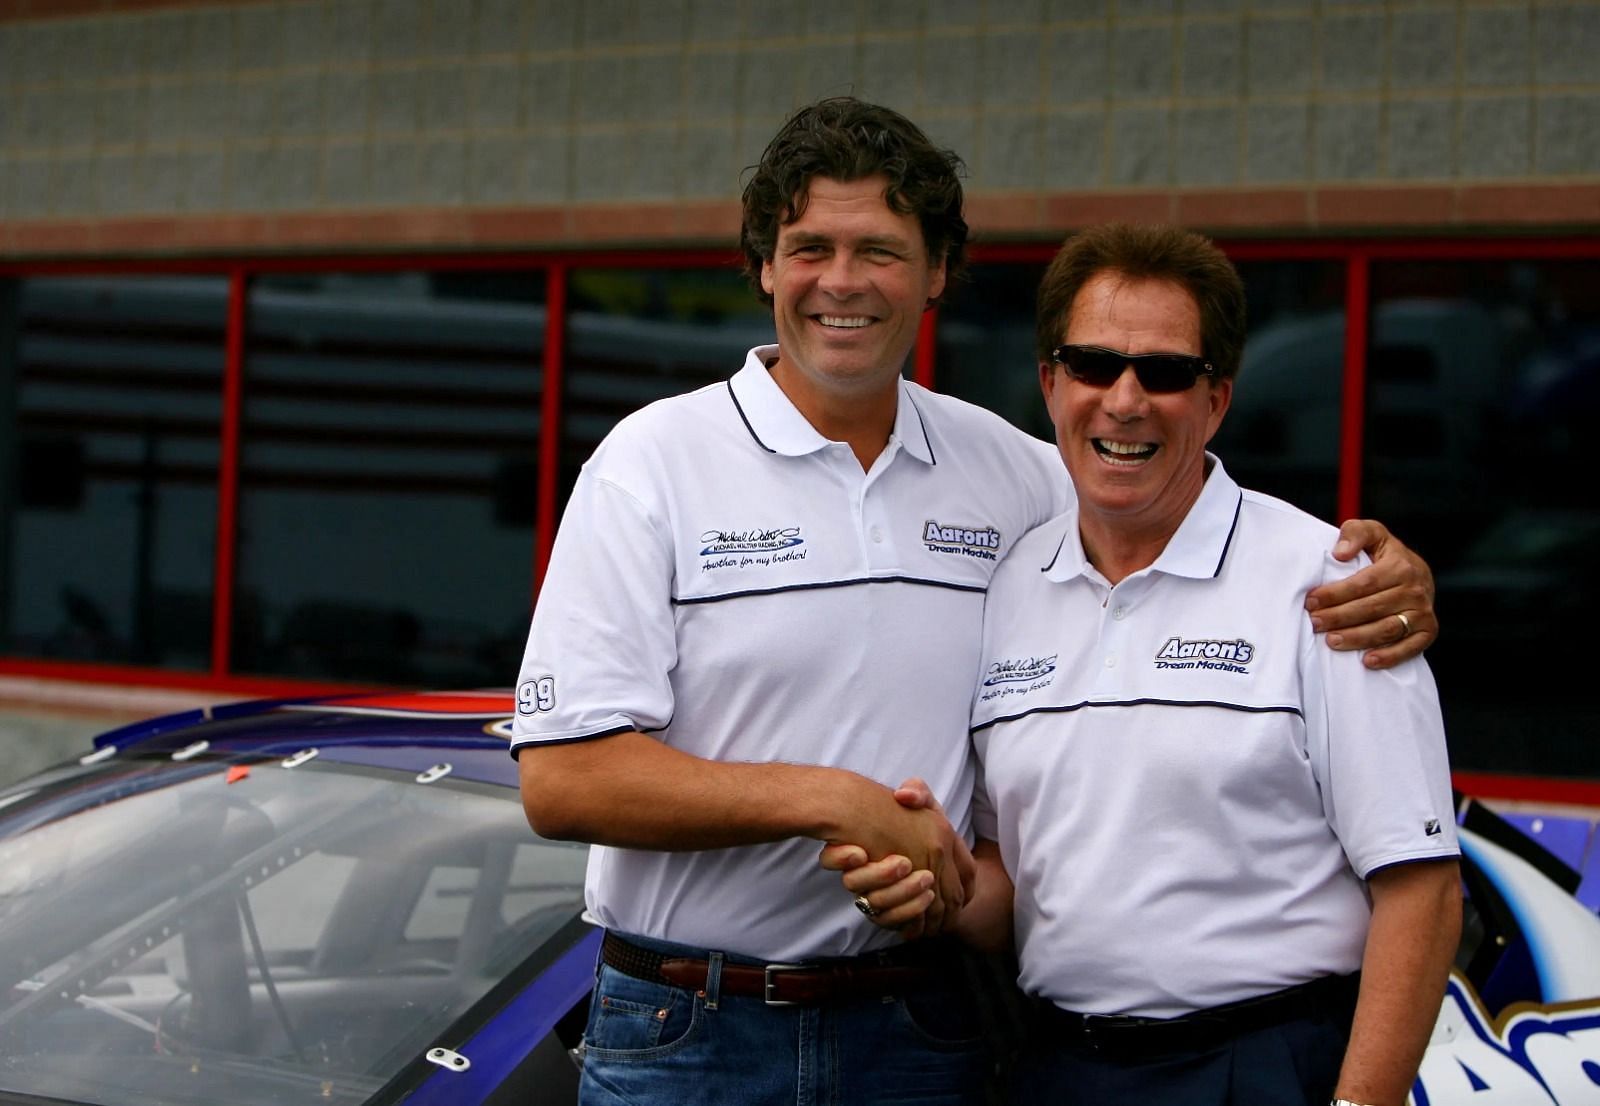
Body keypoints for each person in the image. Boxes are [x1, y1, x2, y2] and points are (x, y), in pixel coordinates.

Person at [512, 98, 1438, 1106]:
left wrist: (1380, 569)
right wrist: (831, 797)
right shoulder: (650, 466)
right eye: (810, 245)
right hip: (692, 1028)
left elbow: (1157, 478)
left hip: (924, 1024)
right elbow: (562, 782)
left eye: (880, 249)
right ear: (765, 264)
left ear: (936, 273)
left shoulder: (1010, 472)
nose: (842, 281)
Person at [835, 224, 1461, 1106]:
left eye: (1165, 373)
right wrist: (928, 885)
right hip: (1056, 1066)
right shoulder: (1007, 588)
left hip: (1267, 1063)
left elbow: (1421, 888)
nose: (1124, 401)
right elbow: (1012, 883)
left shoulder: (1330, 585)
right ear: (1051, 384)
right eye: (1092, 365)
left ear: (1217, 401)